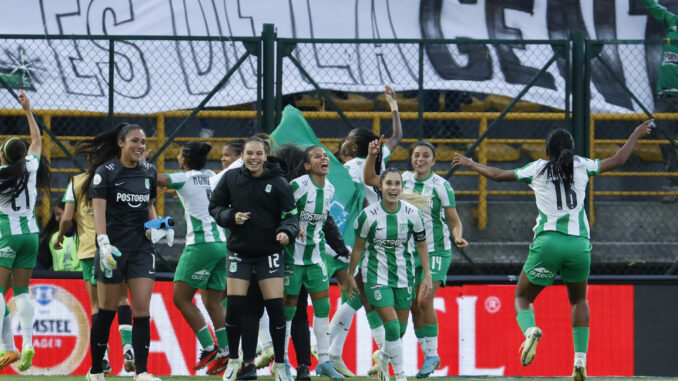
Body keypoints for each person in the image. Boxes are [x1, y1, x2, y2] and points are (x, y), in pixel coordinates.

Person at [452, 121, 653, 381]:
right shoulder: (582, 165)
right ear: (571, 149)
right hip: (578, 244)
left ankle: (530, 331)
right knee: (579, 300)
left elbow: (498, 175)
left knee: (522, 298)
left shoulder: (537, 168)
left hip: (547, 242)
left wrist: (472, 164)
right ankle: (580, 361)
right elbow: (619, 159)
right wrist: (636, 133)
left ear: (548, 151)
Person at [364, 140, 468, 378]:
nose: (420, 159)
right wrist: (371, 156)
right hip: (410, 253)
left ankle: (431, 355)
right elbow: (370, 179)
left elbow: (454, 220)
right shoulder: (402, 180)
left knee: (423, 300)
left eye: (425, 156)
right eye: (416, 155)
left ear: (434, 160)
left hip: (437, 252)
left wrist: (458, 237)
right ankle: (422, 355)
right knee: (412, 304)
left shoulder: (441, 186)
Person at [209, 136, 299, 381]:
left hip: (269, 254)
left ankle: (280, 365)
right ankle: (236, 362)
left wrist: (286, 231)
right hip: (239, 252)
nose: (254, 158)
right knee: (236, 307)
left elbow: (291, 215)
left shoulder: (279, 182)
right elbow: (215, 207)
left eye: (258, 153)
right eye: (249, 153)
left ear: (266, 155)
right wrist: (231, 216)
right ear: (243, 156)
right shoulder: (230, 178)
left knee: (275, 310)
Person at [330, 84, 403, 376]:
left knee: (362, 296)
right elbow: (397, 136)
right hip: (375, 237)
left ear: (356, 147)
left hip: (364, 237)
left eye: (348, 140)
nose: (343, 143)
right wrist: (394, 107)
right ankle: (379, 360)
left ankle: (329, 350)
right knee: (365, 296)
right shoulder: (373, 158)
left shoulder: (355, 165)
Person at [85, 123, 161, 381]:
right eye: (135, 141)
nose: (140, 146)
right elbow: (98, 211)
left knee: (142, 309)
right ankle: (96, 371)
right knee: (106, 310)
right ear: (121, 143)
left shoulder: (150, 170)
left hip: (142, 249)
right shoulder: (105, 172)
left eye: (143, 141)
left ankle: (142, 372)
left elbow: (149, 206)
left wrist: (159, 226)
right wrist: (103, 243)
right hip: (112, 250)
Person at [344, 168, 432, 381]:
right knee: (391, 327)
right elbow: (357, 248)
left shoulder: (413, 214)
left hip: (404, 276)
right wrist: (350, 275)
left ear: (402, 187)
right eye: (389, 184)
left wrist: (427, 275)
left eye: (397, 184)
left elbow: (422, 246)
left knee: (399, 331)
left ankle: (383, 357)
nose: (393, 188)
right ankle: (400, 376)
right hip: (375, 276)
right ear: (380, 187)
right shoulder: (368, 216)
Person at [156, 141, 229, 375]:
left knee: (181, 298)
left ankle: (209, 347)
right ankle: (227, 352)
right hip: (221, 243)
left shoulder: (183, 177)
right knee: (213, 302)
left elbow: (159, 179)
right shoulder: (211, 175)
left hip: (200, 245)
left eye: (179, 154)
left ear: (184, 159)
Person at [282, 145, 348, 381]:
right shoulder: (298, 186)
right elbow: (282, 211)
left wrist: (341, 249)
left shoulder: (330, 189)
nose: (324, 159)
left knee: (322, 309)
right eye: (317, 156)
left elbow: (324, 223)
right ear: (308, 165)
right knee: (288, 311)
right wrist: (292, 224)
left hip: (316, 258)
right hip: (292, 257)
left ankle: (324, 362)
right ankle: (283, 363)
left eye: (325, 156)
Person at [0, 91, 51, 371]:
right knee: (20, 292)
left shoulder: (1, 175)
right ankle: (26, 344)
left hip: (7, 235)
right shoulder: (31, 167)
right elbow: (37, 140)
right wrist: (28, 111)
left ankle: (6, 347)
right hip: (31, 235)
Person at [642, 0, 678, 202]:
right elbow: (652, 6)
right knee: (664, 139)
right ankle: (674, 184)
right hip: (665, 96)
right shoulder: (673, 21)